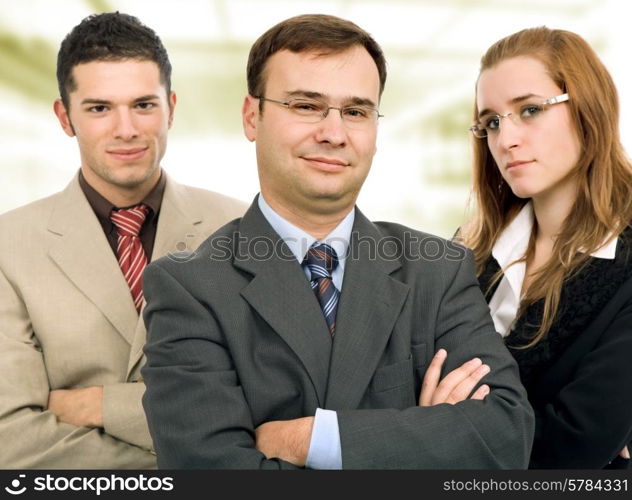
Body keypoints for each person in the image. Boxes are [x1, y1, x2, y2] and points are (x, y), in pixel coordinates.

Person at [141, 13, 533, 469]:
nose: (333, 133)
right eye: (306, 106)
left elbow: (505, 437)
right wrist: (419, 437)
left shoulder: (438, 270)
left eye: (355, 111)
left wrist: (309, 439)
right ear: (253, 116)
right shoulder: (190, 287)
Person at [0, 12, 246, 469]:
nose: (126, 129)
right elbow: (10, 438)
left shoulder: (242, 229)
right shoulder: (7, 247)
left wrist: (98, 406)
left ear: (171, 107)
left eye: (143, 105)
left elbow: (270, 400)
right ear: (64, 116)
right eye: (99, 108)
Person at [461, 26, 632, 469]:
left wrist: (445, 418)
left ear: (588, 108)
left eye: (530, 110)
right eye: (491, 122)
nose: (505, 139)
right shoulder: (469, 251)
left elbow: (574, 446)